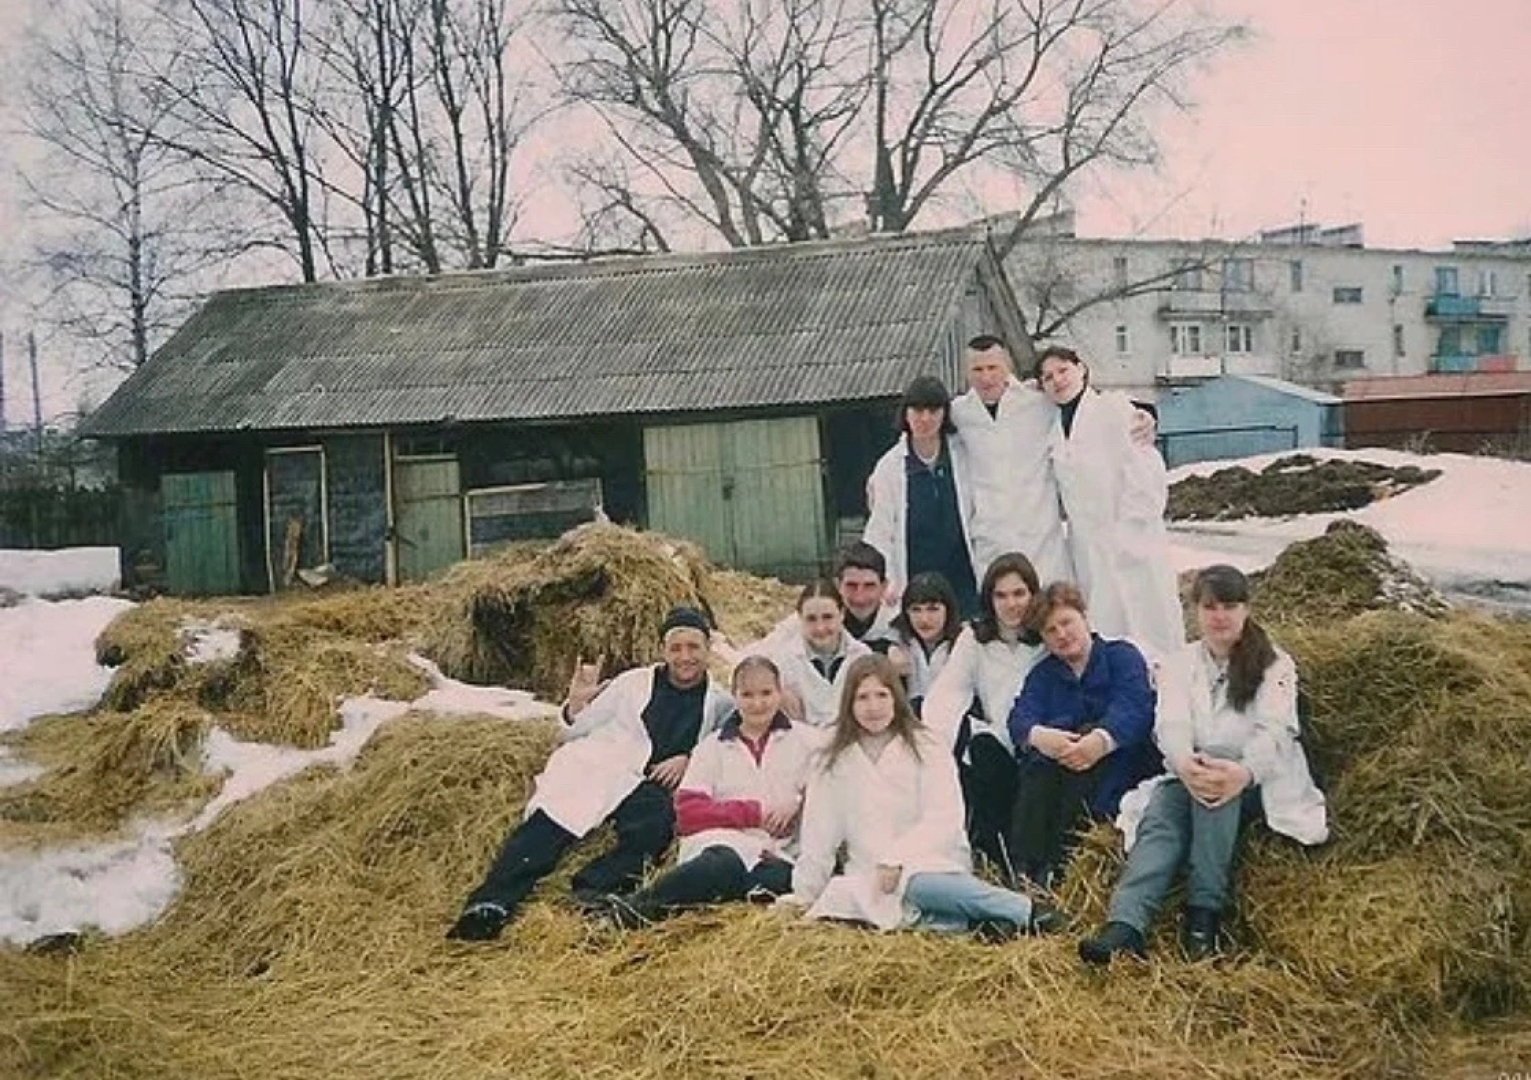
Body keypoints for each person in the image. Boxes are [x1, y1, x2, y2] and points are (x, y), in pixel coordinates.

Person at [1079, 565, 1329, 966]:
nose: (1220, 616)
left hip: (1258, 783)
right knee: (1162, 813)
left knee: (1220, 774)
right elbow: (1171, 723)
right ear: (1195, 610)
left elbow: (1276, 732)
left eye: (1230, 605)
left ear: (1246, 609)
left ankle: (1204, 911)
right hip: (1195, 774)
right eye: (1210, 606)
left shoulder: (1275, 664)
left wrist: (1242, 773)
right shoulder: (1179, 663)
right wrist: (1183, 764)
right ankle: (1125, 924)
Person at [447, 606, 734, 942]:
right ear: (662, 651)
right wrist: (574, 706)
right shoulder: (632, 683)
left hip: (648, 784)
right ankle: (490, 903)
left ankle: (592, 889)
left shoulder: (719, 702)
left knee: (655, 828)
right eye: (675, 648)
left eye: (693, 647)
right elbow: (576, 729)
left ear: (708, 649)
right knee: (551, 821)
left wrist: (689, 756)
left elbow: (724, 744)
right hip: (602, 764)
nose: (685, 656)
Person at [782, 654, 1055, 938]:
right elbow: (819, 834)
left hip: (929, 861)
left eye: (881, 695)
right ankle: (979, 924)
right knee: (849, 900)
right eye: (862, 697)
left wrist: (897, 858)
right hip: (870, 875)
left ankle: (1024, 910)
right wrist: (804, 894)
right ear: (849, 703)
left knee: (917, 886)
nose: (873, 707)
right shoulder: (833, 760)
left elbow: (944, 818)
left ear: (896, 698)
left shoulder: (926, 745)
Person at [595, 656, 816, 927]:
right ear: (734, 696)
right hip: (721, 845)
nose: (758, 703)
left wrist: (798, 800)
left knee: (784, 881)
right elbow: (689, 812)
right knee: (721, 865)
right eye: (747, 694)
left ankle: (712, 897)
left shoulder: (807, 741)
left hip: (777, 855)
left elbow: (837, 780)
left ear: (779, 693)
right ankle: (629, 914)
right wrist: (753, 813)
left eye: (766, 693)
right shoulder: (713, 747)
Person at [1007, 583, 1159, 892]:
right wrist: (1041, 736)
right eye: (1050, 631)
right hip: (1056, 773)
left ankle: (1061, 866)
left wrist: (1100, 740)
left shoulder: (1121, 656)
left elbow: (1134, 706)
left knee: (1085, 751)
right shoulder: (1044, 674)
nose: (1061, 635)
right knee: (1039, 765)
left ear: (1085, 619)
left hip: (1117, 764)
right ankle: (1025, 868)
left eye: (1067, 623)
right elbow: (1020, 717)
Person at [1035, 345, 1185, 659]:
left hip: (1132, 542)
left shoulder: (1114, 409)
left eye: (1063, 370)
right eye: (1048, 377)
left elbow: (1145, 469)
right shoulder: (1054, 429)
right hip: (1089, 551)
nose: (1057, 380)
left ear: (1081, 369)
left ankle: (1169, 698)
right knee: (1106, 631)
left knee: (1149, 628)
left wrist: (1129, 531)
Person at [921, 553, 1046, 882]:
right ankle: (995, 858)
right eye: (1001, 595)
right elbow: (949, 691)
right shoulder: (975, 639)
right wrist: (935, 744)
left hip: (1042, 738)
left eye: (1019, 594)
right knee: (982, 752)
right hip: (998, 739)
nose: (1011, 604)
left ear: (1033, 594)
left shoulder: (1046, 637)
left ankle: (1030, 865)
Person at [947, 336, 1074, 588]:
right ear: (967, 374)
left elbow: (1087, 405)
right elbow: (915, 433)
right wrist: (879, 477)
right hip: (990, 540)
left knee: (1049, 614)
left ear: (1007, 367)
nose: (986, 378)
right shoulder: (958, 413)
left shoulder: (1038, 403)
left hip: (1041, 539)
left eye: (992, 368)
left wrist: (1146, 415)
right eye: (977, 370)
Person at [863, 375, 980, 617]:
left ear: (945, 414)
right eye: (917, 409)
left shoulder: (965, 456)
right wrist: (886, 580)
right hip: (917, 584)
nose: (925, 418)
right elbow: (880, 532)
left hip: (964, 581)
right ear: (906, 413)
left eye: (933, 410)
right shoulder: (890, 468)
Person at [764, 580, 871, 729]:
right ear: (800, 618)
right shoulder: (783, 661)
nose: (820, 628)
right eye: (811, 619)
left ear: (842, 615)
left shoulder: (862, 657)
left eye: (827, 617)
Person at [759, 542, 900, 654]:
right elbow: (762, 651)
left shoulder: (899, 623)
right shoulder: (815, 616)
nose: (860, 597)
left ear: (884, 586)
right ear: (837, 585)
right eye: (851, 585)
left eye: (869, 586)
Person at [885, 571, 964, 714]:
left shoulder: (966, 645)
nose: (924, 619)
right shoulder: (894, 642)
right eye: (916, 610)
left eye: (933, 609)